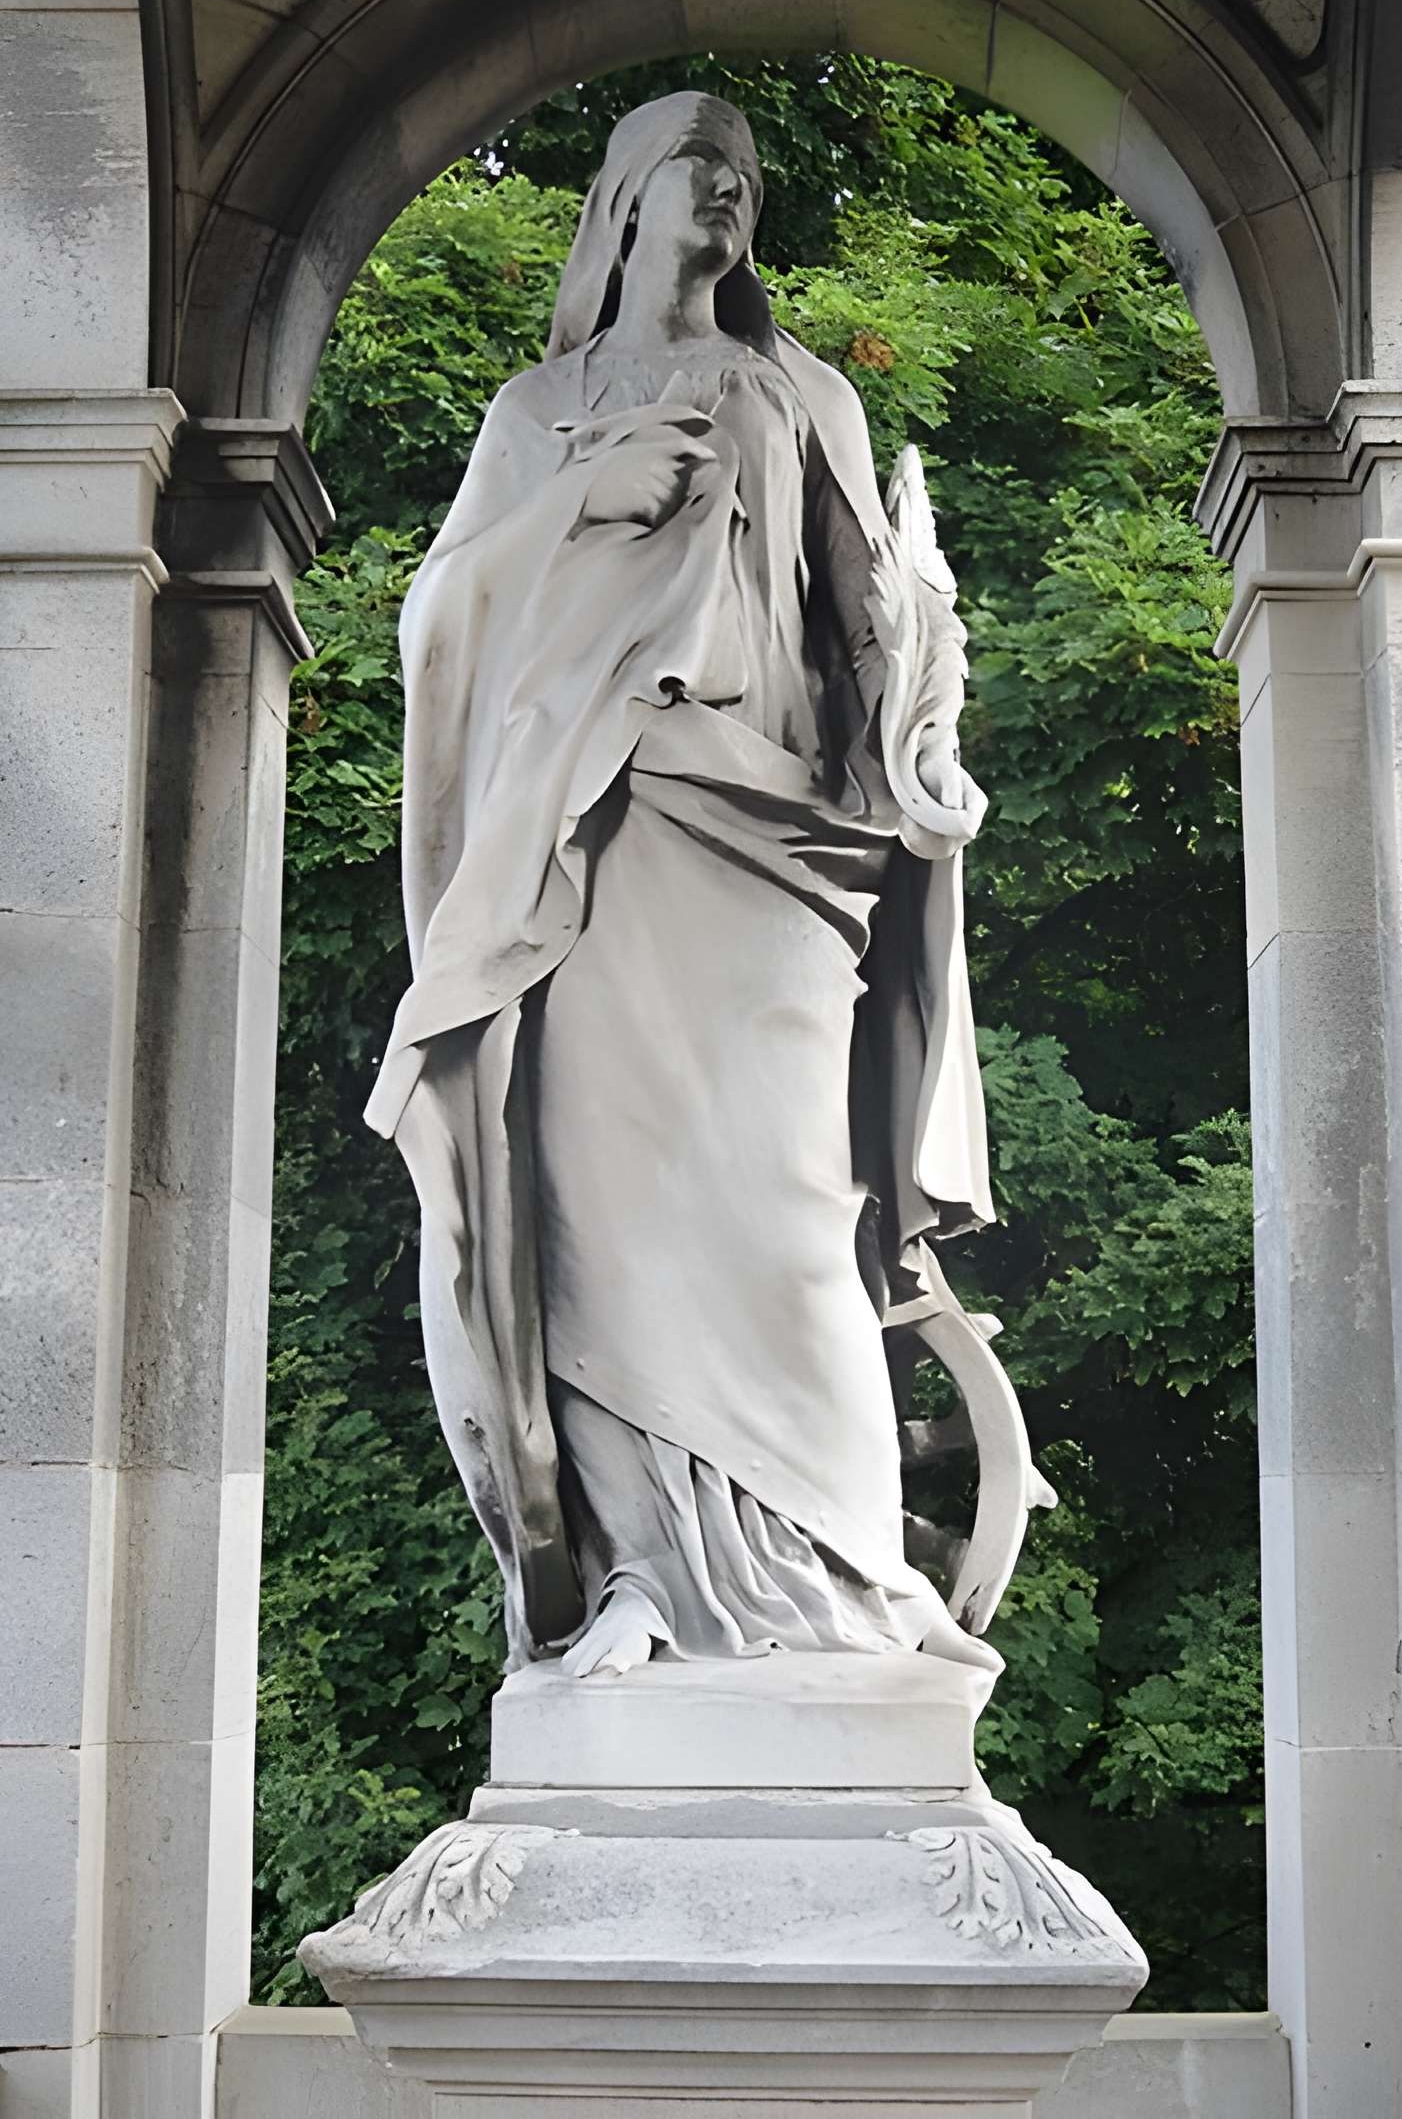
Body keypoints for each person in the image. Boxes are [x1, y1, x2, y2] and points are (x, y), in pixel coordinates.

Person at [367, 90, 1000, 1681]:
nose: (722, 193)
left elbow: (874, 619)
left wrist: (927, 730)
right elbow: (435, 623)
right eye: (689, 169)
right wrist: (585, 494)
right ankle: (642, 1572)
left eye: (744, 176)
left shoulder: (804, 395)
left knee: (792, 1206)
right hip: (590, 839)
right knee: (607, 1209)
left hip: (777, 841)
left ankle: (847, 1576)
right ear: (626, 204)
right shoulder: (540, 405)